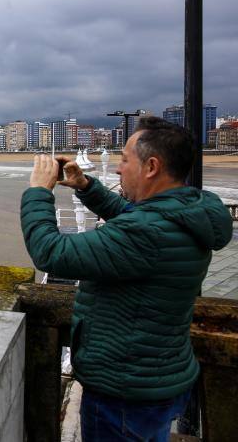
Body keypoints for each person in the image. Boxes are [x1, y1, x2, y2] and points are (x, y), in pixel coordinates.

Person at [20, 117, 233, 441]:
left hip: (123, 391)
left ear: (151, 166)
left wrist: (38, 192)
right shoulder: (188, 213)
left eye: (124, 160)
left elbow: (51, 252)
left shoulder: (147, 233)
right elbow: (136, 218)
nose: (118, 169)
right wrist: (86, 186)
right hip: (156, 377)